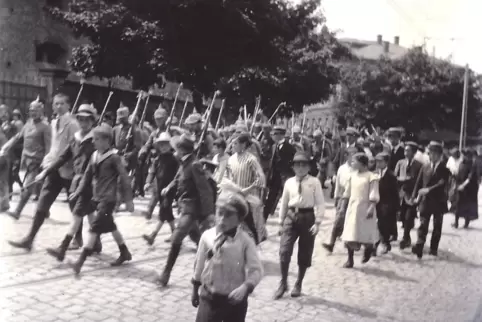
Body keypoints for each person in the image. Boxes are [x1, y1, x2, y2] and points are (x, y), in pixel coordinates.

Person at [191, 184, 263, 322]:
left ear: (240, 219)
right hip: (210, 297)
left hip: (235, 301)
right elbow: (199, 264)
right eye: (220, 213)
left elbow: (257, 270)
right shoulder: (207, 236)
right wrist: (195, 289)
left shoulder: (245, 241)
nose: (222, 219)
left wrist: (245, 287)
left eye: (229, 215)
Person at [68, 124, 134, 274]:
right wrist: (78, 191)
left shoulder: (114, 157)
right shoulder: (95, 155)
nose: (93, 142)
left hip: (109, 199)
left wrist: (129, 200)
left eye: (97, 139)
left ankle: (79, 263)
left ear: (107, 141)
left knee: (93, 228)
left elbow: (124, 178)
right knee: (111, 226)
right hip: (97, 197)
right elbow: (86, 176)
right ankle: (125, 252)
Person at [40, 104, 102, 261]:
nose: (83, 122)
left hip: (91, 182)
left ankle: (63, 248)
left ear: (92, 121)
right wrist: (46, 171)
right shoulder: (76, 138)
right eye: (80, 119)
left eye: (87, 120)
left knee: (77, 213)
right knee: (88, 212)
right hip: (78, 180)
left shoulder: (97, 139)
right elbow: (63, 157)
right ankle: (97, 242)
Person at [157, 134, 215, 287]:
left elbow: (205, 189)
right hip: (184, 206)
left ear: (182, 150)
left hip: (192, 208)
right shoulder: (184, 163)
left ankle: (166, 273)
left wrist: (209, 213)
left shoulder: (194, 165)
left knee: (176, 238)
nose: (174, 150)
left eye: (177, 148)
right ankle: (214, 262)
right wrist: (168, 188)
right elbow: (177, 179)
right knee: (198, 238)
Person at [274, 151, 325, 300]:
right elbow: (283, 203)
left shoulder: (314, 182)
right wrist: (280, 223)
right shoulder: (289, 182)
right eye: (297, 165)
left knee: (304, 252)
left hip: (307, 217)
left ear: (309, 167)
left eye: (304, 165)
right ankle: (283, 282)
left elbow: (321, 203)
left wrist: (318, 223)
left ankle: (298, 283)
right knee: (284, 251)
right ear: (293, 167)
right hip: (291, 216)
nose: (301, 168)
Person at [1, 98, 51, 220]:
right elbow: (18, 137)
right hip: (26, 161)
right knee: (38, 188)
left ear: (41, 111)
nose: (33, 112)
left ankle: (17, 211)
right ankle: (45, 211)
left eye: (35, 110)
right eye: (31, 110)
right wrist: (5, 147)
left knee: (28, 187)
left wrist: (46, 162)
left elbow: (49, 147)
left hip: (37, 162)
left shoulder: (45, 127)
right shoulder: (28, 123)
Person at [411, 141, 451, 259]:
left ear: (439, 155)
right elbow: (418, 182)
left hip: (439, 201)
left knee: (437, 226)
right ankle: (419, 245)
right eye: (430, 153)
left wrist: (428, 190)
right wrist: (414, 196)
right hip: (425, 201)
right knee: (423, 224)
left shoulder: (444, 169)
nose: (431, 156)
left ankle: (433, 248)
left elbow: (442, 185)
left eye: (434, 153)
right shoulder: (425, 166)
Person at [340, 153, 380, 268]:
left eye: (354, 161)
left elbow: (374, 193)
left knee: (365, 232)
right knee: (350, 234)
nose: (352, 163)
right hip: (353, 208)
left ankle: (368, 249)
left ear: (362, 163)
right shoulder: (352, 176)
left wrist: (371, 207)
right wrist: (343, 207)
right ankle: (350, 259)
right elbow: (347, 193)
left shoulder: (371, 177)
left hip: (365, 208)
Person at [142, 132, 179, 245]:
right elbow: (152, 172)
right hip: (159, 189)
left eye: (166, 145)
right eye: (161, 145)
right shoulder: (157, 159)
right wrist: (148, 182)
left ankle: (153, 235)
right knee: (168, 212)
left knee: (164, 211)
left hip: (170, 189)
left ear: (170, 146)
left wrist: (170, 187)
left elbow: (178, 176)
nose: (163, 147)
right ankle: (175, 234)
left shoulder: (174, 160)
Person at [322, 147, 357, 253]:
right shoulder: (342, 169)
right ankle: (331, 243)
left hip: (354, 198)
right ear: (346, 156)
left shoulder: (358, 169)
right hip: (343, 198)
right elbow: (338, 184)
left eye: (355, 155)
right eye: (351, 155)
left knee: (352, 223)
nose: (353, 157)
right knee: (338, 220)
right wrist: (336, 197)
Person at [374, 152, 399, 255]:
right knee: (379, 226)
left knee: (382, 226)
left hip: (387, 206)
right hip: (376, 204)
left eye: (381, 161)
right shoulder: (375, 174)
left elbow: (395, 194)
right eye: (377, 161)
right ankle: (384, 244)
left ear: (386, 163)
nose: (378, 163)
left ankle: (381, 245)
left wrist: (396, 209)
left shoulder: (391, 176)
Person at [452, 148, 479, 229]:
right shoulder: (461, 164)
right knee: (458, 204)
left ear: (469, 156)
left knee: (467, 206)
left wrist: (463, 185)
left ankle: (466, 223)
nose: (463, 156)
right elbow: (458, 175)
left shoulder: (472, 165)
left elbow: (470, 178)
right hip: (460, 187)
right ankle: (456, 223)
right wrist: (455, 184)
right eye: (463, 154)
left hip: (469, 189)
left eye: (464, 154)